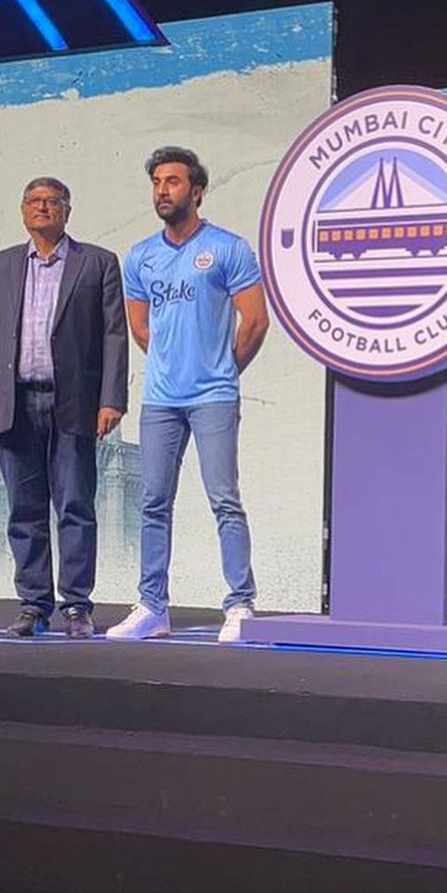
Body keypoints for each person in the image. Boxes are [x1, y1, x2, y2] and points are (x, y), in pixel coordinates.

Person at [107, 147, 269, 644]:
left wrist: (222, 369)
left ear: (195, 191)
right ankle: (152, 607)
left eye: (173, 182)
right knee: (154, 503)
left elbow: (256, 319)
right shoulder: (141, 256)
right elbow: (139, 325)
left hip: (214, 396)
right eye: (157, 181)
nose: (162, 190)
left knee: (224, 500)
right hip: (160, 401)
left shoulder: (227, 248)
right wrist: (170, 365)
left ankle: (240, 604)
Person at [0, 178, 128, 638]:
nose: (42, 208)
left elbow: (114, 336)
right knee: (24, 509)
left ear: (66, 211)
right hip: (13, 401)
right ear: (22, 211)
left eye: (52, 202)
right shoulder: (0, 267)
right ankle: (33, 605)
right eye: (34, 202)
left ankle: (77, 606)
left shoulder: (96, 263)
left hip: (72, 402)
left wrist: (112, 398)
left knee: (75, 505)